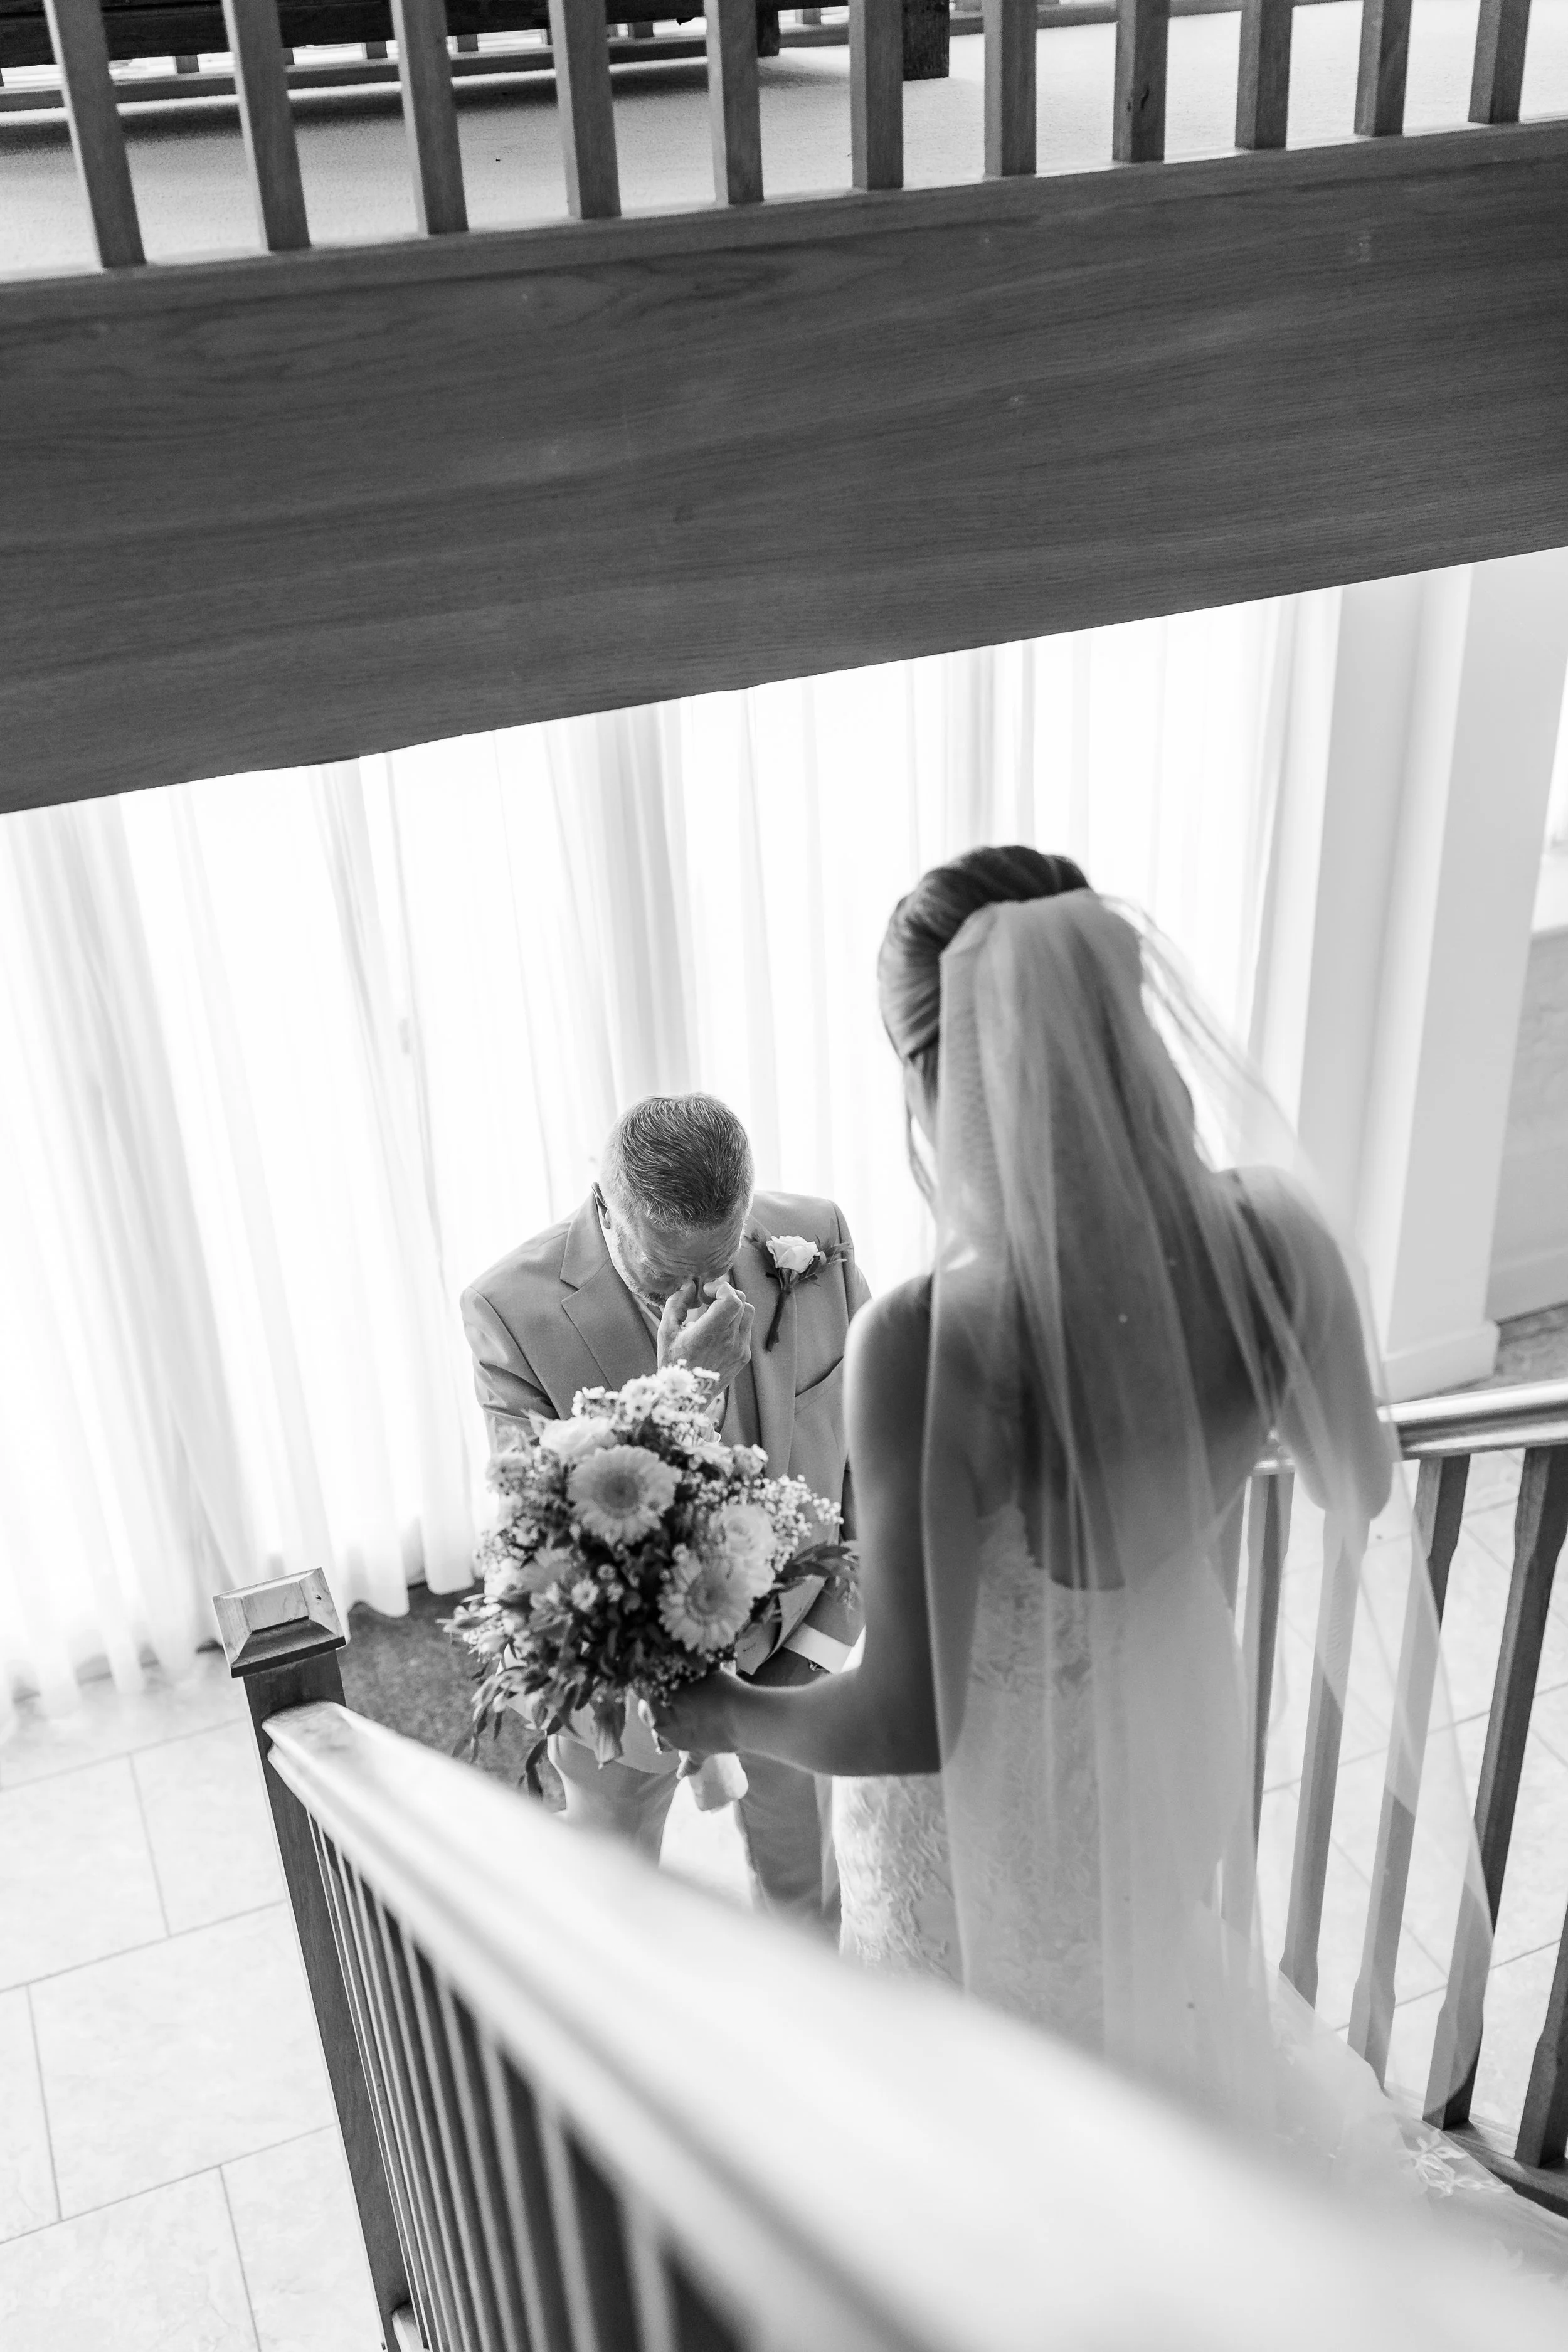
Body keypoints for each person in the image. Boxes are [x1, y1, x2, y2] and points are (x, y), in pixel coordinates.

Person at [653, 847, 1568, 2280]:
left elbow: (905, 1721)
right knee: (1171, 2084)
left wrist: (711, 1714)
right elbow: (1362, 1473)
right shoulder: (1274, 1237)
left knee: (995, 2185)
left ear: (929, 1074)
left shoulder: (929, 1341)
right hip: (1157, 1769)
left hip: (979, 1848)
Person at [461, 1091, 869, 1933]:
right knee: (615, 1905)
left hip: (790, 1654)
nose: (705, 1291)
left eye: (721, 1264)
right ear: (605, 1208)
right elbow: (534, 1521)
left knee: (807, 1899)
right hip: (623, 1692)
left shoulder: (816, 1241)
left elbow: (875, 1451)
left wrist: (824, 1643)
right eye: (669, 1274)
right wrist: (682, 1390)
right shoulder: (509, 1309)